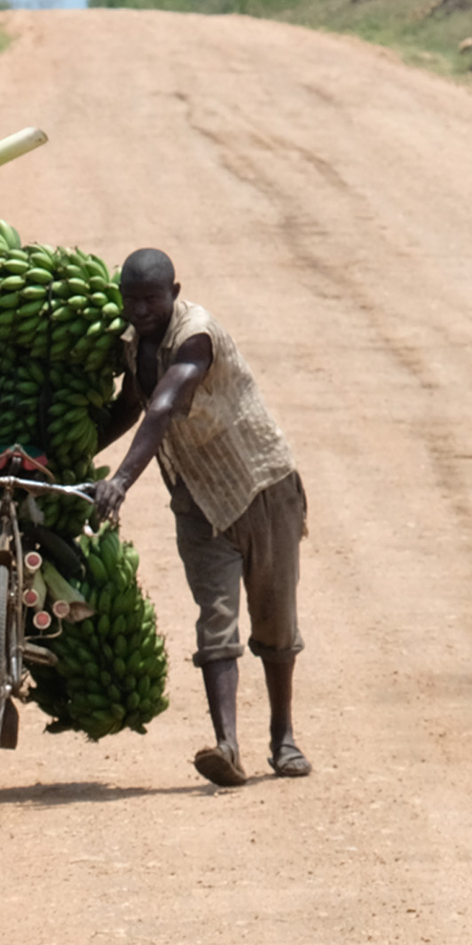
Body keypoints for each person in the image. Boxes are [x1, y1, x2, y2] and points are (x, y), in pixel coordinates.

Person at [88, 248, 310, 787]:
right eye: (131, 300)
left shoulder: (196, 336)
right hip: (197, 499)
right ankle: (227, 745)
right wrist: (69, 453)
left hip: (260, 486)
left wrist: (121, 481)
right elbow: (132, 405)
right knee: (216, 618)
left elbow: (163, 406)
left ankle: (282, 736)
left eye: (151, 299)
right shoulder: (131, 343)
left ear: (174, 292)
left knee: (275, 620)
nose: (141, 310)